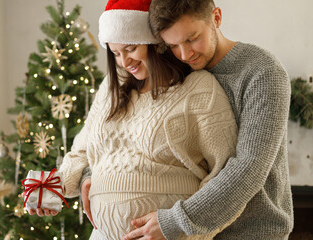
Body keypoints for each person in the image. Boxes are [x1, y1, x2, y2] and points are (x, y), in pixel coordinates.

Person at [27, 0, 242, 239]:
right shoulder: (112, 86)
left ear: (155, 43)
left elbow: (225, 175)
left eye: (130, 49)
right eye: (116, 53)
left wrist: (184, 229)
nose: (124, 61)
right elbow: (82, 151)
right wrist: (56, 187)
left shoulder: (199, 88)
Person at [119, 0, 294, 239]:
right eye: (173, 45)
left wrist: (174, 222)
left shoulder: (262, 71)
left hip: (252, 233)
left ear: (217, 18)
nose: (184, 54)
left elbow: (250, 167)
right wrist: (93, 176)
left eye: (192, 38)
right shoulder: (178, 72)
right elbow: (129, 129)